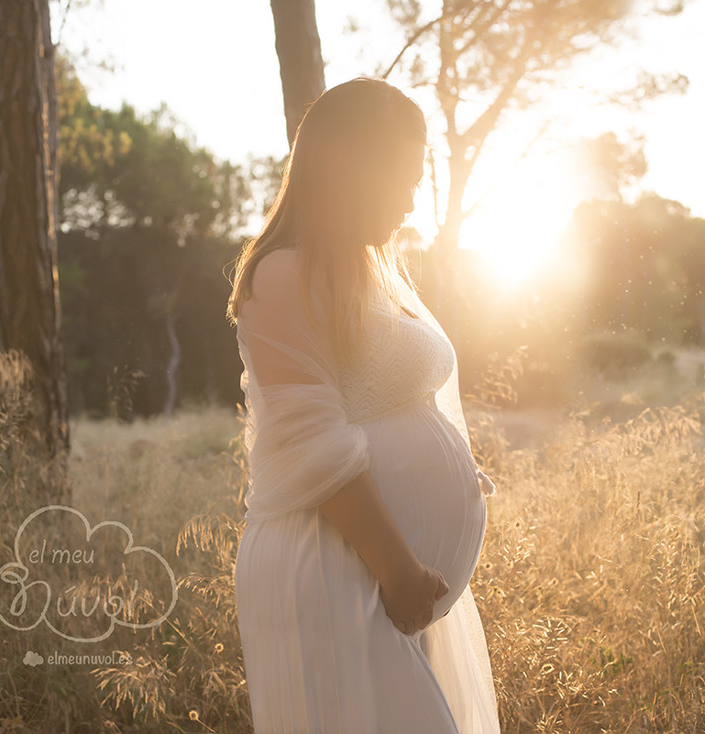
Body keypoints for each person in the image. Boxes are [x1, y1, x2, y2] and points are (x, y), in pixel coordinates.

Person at [225, 77, 500, 734]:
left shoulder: (369, 274)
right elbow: (309, 443)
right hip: (334, 571)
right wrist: (399, 568)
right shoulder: (281, 275)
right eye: (402, 177)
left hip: (379, 578)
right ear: (350, 167)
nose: (411, 200)